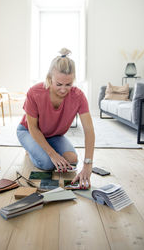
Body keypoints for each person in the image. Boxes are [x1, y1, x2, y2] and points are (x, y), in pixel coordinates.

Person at [17, 48, 95, 188]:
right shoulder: (35, 92)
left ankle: (43, 148)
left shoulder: (78, 96)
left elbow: (89, 130)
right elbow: (33, 128)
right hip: (28, 131)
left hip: (54, 135)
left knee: (72, 160)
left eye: (68, 84)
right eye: (59, 84)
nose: (64, 89)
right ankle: (30, 149)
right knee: (47, 163)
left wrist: (88, 164)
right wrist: (53, 154)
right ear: (49, 78)